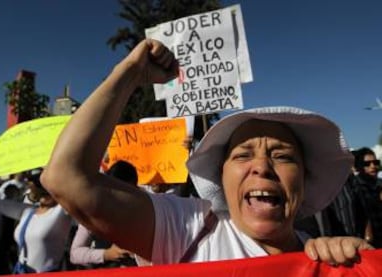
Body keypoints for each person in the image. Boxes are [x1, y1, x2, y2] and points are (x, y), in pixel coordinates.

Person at [41, 39, 373, 267]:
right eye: (242, 155)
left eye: (282, 155)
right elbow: (64, 178)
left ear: (305, 177)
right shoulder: (188, 229)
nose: (261, 166)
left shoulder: (327, 258)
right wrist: (128, 73)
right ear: (221, 175)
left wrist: (360, 263)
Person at [0, 168, 74, 273]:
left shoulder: (62, 211)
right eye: (40, 186)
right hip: (21, 271)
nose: (45, 190)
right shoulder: (28, 211)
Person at [70, 160, 138, 268]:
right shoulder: (93, 212)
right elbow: (75, 254)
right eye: (116, 191)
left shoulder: (145, 210)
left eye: (126, 192)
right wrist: (106, 254)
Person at [350, 147, 382, 247]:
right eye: (367, 164)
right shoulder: (354, 187)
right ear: (359, 166)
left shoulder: (380, 184)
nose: (373, 166)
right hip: (366, 244)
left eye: (376, 162)